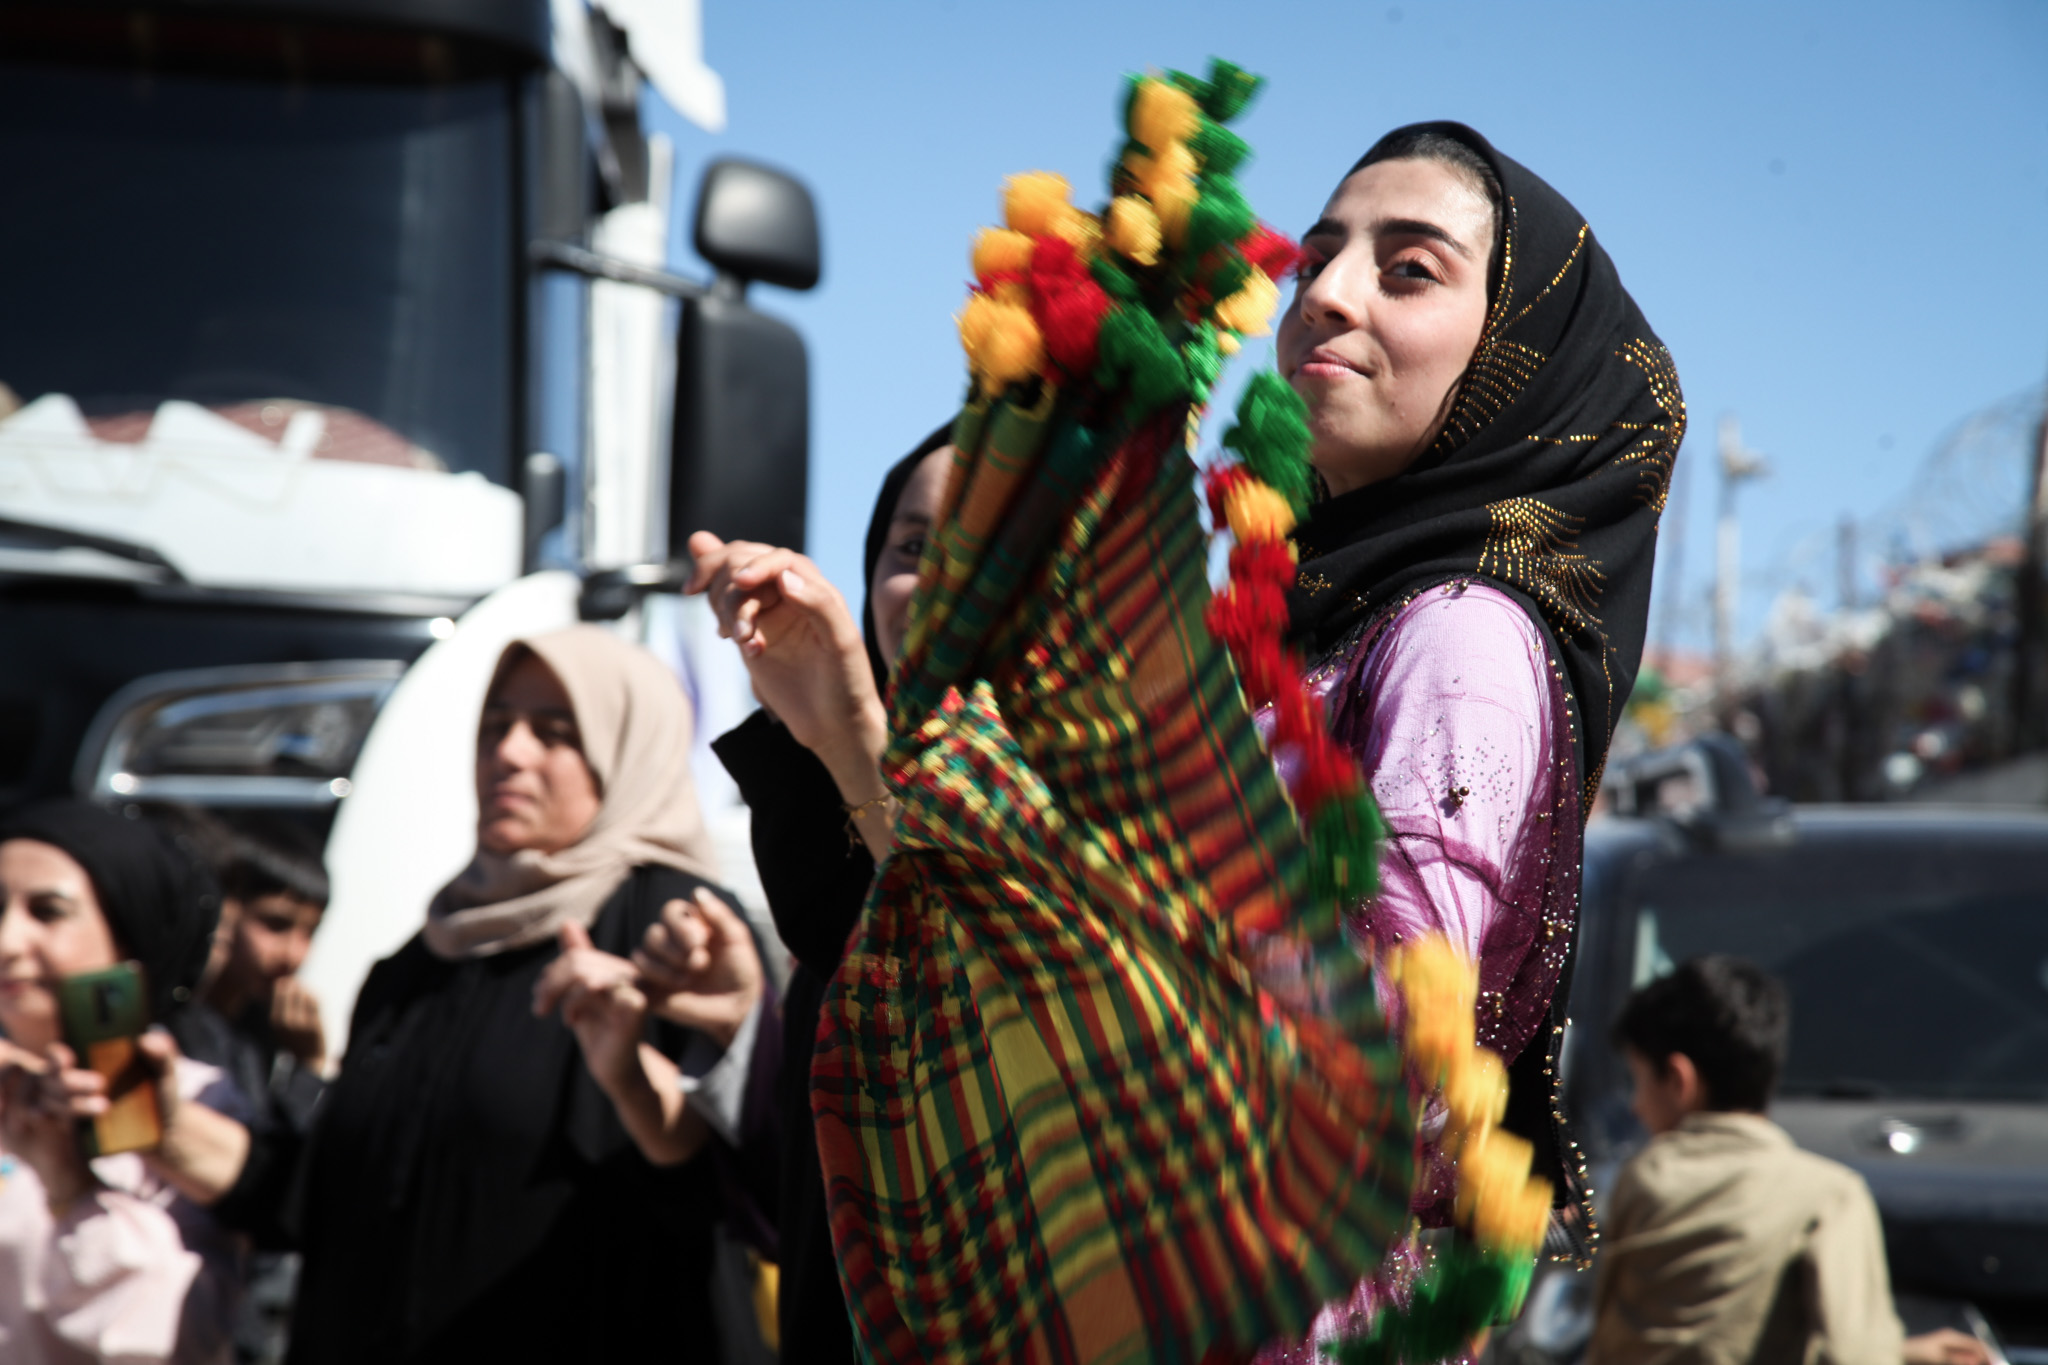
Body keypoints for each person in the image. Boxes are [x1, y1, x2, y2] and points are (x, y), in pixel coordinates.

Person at [1255, 120, 1686, 1357]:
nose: (1323, 296)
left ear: (1516, 356)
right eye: (1317, 259)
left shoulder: (1456, 632)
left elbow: (1392, 1028)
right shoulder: (1326, 613)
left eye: (1406, 270)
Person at [283, 625, 774, 1364]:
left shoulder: (676, 928)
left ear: (626, 753)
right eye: (495, 725)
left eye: (555, 732)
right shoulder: (425, 952)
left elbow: (730, 1180)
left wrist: (635, 1079)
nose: (508, 754)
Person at [682, 422, 953, 1361]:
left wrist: (846, 732)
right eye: (913, 547)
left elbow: (988, 990)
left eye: (987, 546)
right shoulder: (821, 842)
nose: (940, 579)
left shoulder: (1130, 822)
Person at [1589, 956, 1991, 1365]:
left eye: (1638, 1081)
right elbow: (1855, 1355)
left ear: (1679, 1080)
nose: (1636, 1106)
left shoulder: (1644, 1177)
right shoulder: (1826, 1196)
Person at [0, 800, 254, 1363]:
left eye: (47, 911)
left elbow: (167, 1337)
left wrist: (71, 1186)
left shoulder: (189, 1106)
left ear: (131, 940)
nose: (7, 942)